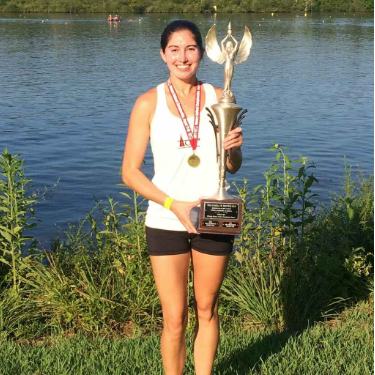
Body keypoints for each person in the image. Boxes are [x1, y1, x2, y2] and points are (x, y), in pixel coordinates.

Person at [122, 20, 243, 375]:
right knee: (174, 318)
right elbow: (129, 172)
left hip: (214, 215)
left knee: (207, 309)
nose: (182, 56)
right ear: (163, 55)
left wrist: (233, 149)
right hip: (166, 219)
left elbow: (233, 167)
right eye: (174, 49)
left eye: (190, 48)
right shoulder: (148, 103)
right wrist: (175, 207)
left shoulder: (222, 97)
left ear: (202, 54)